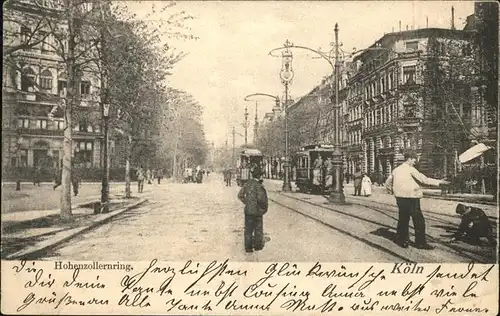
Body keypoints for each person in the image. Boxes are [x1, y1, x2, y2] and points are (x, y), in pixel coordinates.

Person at [385, 150, 449, 249]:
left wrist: (393, 192)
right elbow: (424, 179)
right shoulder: (411, 169)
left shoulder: (396, 170)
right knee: (419, 220)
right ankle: (420, 243)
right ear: (409, 158)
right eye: (414, 159)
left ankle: (402, 241)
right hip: (412, 198)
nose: (415, 162)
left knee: (403, 219)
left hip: (400, 198)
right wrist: (440, 182)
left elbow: (388, 182)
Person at [237, 166, 268, 253]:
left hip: (248, 210)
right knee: (258, 229)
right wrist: (263, 208)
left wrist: (247, 202)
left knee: (248, 229)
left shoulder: (247, 184)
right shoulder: (259, 186)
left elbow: (240, 195)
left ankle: (248, 247)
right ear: (259, 176)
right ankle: (258, 246)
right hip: (257, 211)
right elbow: (261, 199)